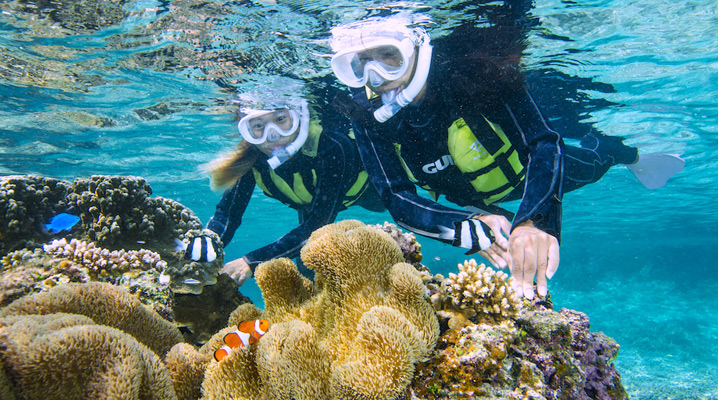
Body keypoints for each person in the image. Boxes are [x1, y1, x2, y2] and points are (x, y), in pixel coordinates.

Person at [327, 13, 684, 299]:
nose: (375, 77)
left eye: (389, 57)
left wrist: (536, 219)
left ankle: (629, 156)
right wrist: (465, 228)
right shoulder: (367, 116)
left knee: (594, 164)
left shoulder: (477, 73)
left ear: (419, 48)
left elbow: (545, 144)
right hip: (471, 199)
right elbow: (396, 195)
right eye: (361, 64)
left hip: (526, 175)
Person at [183, 83, 383, 285]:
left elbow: (318, 222)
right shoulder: (252, 159)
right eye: (258, 126)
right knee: (308, 267)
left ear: (298, 117)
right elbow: (227, 214)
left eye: (280, 119)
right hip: (310, 206)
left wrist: (251, 262)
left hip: (369, 192)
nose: (272, 135)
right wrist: (209, 241)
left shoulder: (332, 146)